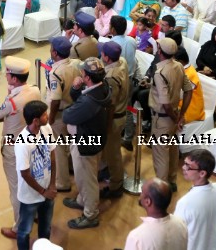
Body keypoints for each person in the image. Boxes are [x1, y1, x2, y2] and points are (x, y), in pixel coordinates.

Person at [0, 57, 41, 241]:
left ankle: (20, 226)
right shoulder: (35, 91)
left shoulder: (12, 101)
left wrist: (8, 96)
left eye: (8, 73)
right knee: (32, 180)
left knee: (16, 188)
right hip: (32, 142)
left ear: (14, 79)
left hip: (13, 147)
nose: (6, 75)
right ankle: (34, 212)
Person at [62, 56, 111, 230]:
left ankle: (90, 214)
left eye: (83, 72)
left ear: (88, 78)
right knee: (86, 176)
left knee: (87, 179)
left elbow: (67, 115)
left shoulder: (89, 101)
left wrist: (74, 96)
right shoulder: (102, 88)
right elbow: (79, 100)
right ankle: (82, 200)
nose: (81, 73)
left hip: (85, 142)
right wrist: (76, 89)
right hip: (96, 137)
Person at [150, 37, 194, 192]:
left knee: (161, 155)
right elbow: (189, 90)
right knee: (173, 150)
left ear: (160, 51)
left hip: (162, 118)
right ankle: (172, 181)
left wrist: (177, 118)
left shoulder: (160, 72)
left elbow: (165, 104)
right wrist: (180, 116)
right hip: (174, 116)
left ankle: (161, 191)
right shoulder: (179, 67)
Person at [13, 100, 56, 250]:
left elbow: (52, 155)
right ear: (35, 121)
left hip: (47, 192)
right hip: (30, 196)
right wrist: (43, 191)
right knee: (24, 231)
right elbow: (24, 173)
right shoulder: (22, 142)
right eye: (45, 115)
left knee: (45, 228)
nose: (48, 116)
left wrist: (52, 185)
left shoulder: (46, 129)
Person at [174, 149, 216, 250]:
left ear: (202, 173)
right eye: (185, 163)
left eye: (189, 166)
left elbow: (175, 235)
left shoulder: (185, 203)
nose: (183, 167)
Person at [100, 40, 130, 200]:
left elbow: (110, 105)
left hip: (114, 117)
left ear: (106, 57)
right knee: (110, 151)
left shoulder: (111, 77)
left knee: (113, 155)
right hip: (121, 112)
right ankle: (107, 172)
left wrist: (106, 125)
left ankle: (116, 185)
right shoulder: (122, 62)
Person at [123, 178, 188, 250]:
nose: (140, 195)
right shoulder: (181, 223)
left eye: (142, 191)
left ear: (148, 201)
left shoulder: (136, 237)